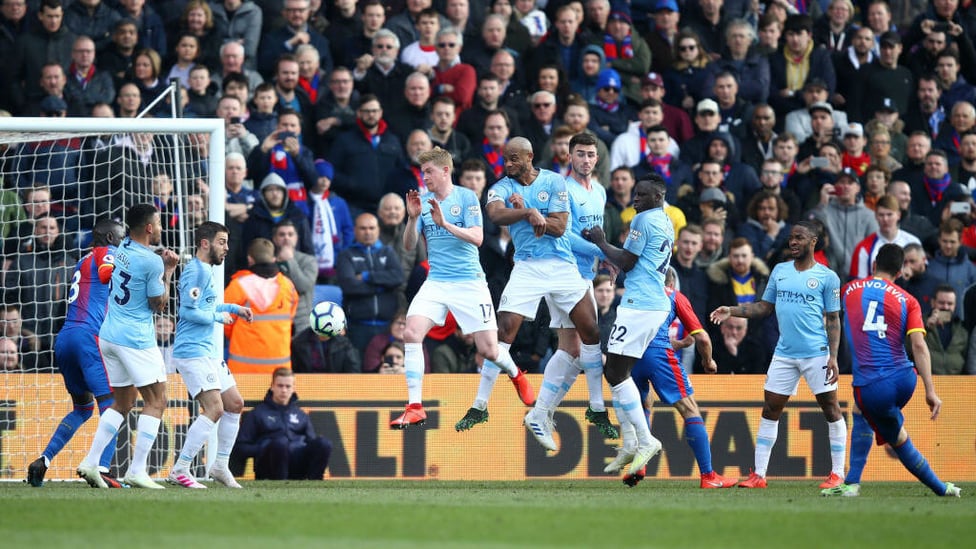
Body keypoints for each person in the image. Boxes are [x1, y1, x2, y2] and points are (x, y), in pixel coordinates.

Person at [453, 136, 588, 436]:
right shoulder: (501, 187)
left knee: (586, 341)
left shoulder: (554, 182)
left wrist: (528, 208)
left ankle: (552, 411)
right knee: (503, 332)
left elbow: (559, 227)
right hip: (526, 265)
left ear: (529, 156)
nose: (508, 163)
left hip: (562, 265)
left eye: (513, 158)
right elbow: (496, 214)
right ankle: (480, 405)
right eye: (505, 158)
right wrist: (528, 213)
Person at [389, 147, 532, 429]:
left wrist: (444, 224)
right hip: (437, 282)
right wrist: (414, 218)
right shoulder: (424, 200)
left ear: (445, 171)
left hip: (469, 282)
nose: (424, 176)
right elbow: (408, 245)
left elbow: (478, 238)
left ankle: (516, 374)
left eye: (428, 171)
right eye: (422, 171)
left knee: (489, 350)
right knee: (411, 332)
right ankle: (415, 406)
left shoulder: (466, 197)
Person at [709, 221, 847, 490]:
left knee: (830, 408)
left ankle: (838, 474)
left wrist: (833, 357)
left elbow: (833, 318)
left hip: (816, 354)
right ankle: (758, 475)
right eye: (791, 238)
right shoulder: (780, 271)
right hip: (785, 353)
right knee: (771, 408)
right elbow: (763, 307)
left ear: (813, 241)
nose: (793, 242)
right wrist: (732, 310)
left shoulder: (828, 277)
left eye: (799, 238)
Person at [824, 243, 961, 497]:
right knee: (863, 413)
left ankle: (941, 488)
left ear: (874, 265)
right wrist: (930, 391)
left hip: (873, 385)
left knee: (897, 437)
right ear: (899, 273)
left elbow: (829, 317)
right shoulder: (909, 300)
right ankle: (854, 478)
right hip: (906, 378)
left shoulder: (849, 290)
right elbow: (919, 345)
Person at [521, 133, 618, 443]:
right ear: (569, 156)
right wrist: (606, 252)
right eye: (580, 154)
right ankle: (593, 406)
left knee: (571, 349)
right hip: (563, 272)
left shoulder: (600, 192)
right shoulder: (561, 189)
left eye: (590, 154)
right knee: (589, 340)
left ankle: (540, 413)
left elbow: (594, 233)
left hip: (582, 274)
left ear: (597, 158)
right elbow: (564, 236)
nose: (585, 160)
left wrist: (603, 260)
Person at [76, 204, 179, 489]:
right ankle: (137, 470)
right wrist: (169, 270)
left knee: (122, 403)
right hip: (134, 338)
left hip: (109, 334)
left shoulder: (119, 249)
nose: (160, 227)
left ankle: (90, 462)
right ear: (149, 228)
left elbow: (126, 272)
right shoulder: (153, 262)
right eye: (158, 223)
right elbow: (157, 304)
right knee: (157, 401)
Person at [582, 173, 673, 479]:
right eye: (635, 194)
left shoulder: (644, 220)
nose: (635, 199)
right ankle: (632, 442)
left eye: (641, 195)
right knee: (619, 373)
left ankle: (645, 440)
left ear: (656, 197)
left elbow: (629, 261)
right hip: (651, 303)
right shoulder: (665, 220)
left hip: (641, 305)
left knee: (615, 373)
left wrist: (600, 241)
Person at [27, 219, 125, 488]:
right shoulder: (106, 252)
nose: (123, 242)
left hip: (66, 338)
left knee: (83, 408)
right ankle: (102, 468)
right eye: (120, 237)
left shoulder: (82, 260)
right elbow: (107, 273)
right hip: (88, 338)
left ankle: (43, 460)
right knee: (113, 405)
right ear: (107, 237)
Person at [626, 266, 736, 487]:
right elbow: (703, 339)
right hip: (659, 355)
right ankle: (709, 476)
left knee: (642, 405)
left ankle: (639, 465)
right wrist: (708, 361)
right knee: (690, 409)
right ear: (672, 283)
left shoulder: (635, 292)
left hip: (630, 356)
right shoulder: (674, 296)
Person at [168, 221, 253, 489]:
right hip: (192, 351)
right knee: (215, 408)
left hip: (208, 352)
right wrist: (219, 317)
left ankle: (220, 465)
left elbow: (208, 304)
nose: (226, 248)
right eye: (221, 242)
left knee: (235, 404)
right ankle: (180, 468)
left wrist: (235, 309)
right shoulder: (196, 272)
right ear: (205, 243)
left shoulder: (206, 271)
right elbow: (188, 312)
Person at [229, 367, 332, 480]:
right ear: (272, 386)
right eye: (280, 386)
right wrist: (264, 448)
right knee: (280, 443)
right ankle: (279, 482)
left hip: (298, 466)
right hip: (269, 467)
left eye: (288, 386)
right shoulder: (257, 413)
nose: (284, 390)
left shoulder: (300, 414)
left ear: (294, 388)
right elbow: (240, 447)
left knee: (323, 443)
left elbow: (311, 442)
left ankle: (315, 484)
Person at [224, 238, 299, 374]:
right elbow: (291, 317)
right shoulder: (288, 286)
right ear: (273, 259)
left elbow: (224, 322)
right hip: (280, 373)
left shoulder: (237, 286)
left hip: (243, 369)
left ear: (250, 259)